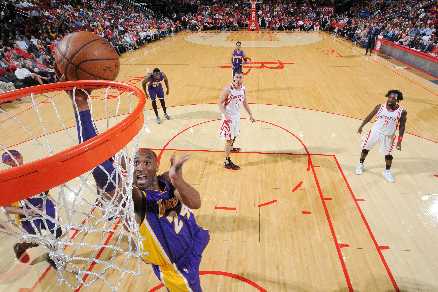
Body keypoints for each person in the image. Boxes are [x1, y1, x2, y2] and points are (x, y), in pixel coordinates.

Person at [71, 90, 210, 291]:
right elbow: (98, 162)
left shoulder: (167, 181)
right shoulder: (134, 200)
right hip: (177, 267)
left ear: (156, 165)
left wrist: (178, 180)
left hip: (195, 239)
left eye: (147, 162)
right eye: (135, 163)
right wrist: (82, 108)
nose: (140, 167)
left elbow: (196, 202)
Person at [1, 150, 61, 268]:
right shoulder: (6, 182)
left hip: (45, 206)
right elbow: (6, 208)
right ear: (6, 163)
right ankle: (20, 246)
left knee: (57, 231)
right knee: (34, 241)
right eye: (10, 160)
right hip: (26, 214)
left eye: (16, 157)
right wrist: (26, 212)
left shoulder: (33, 170)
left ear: (21, 157)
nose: (14, 161)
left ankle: (52, 256)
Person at [356, 90, 407, 182]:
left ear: (397, 100)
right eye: (389, 97)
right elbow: (369, 116)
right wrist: (361, 126)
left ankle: (387, 172)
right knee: (365, 148)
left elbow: (402, 126)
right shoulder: (380, 107)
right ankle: (360, 164)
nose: (390, 99)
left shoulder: (402, 112)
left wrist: (399, 141)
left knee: (388, 155)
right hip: (375, 132)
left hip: (388, 135)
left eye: (393, 98)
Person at [218, 73, 255, 170]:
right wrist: (225, 115)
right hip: (228, 117)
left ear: (243, 78)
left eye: (240, 77)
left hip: (236, 116)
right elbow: (219, 103)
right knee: (229, 139)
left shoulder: (243, 89)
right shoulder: (228, 89)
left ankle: (231, 148)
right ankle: (226, 161)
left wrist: (250, 114)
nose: (238, 79)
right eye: (237, 77)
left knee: (234, 135)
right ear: (233, 78)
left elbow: (244, 102)